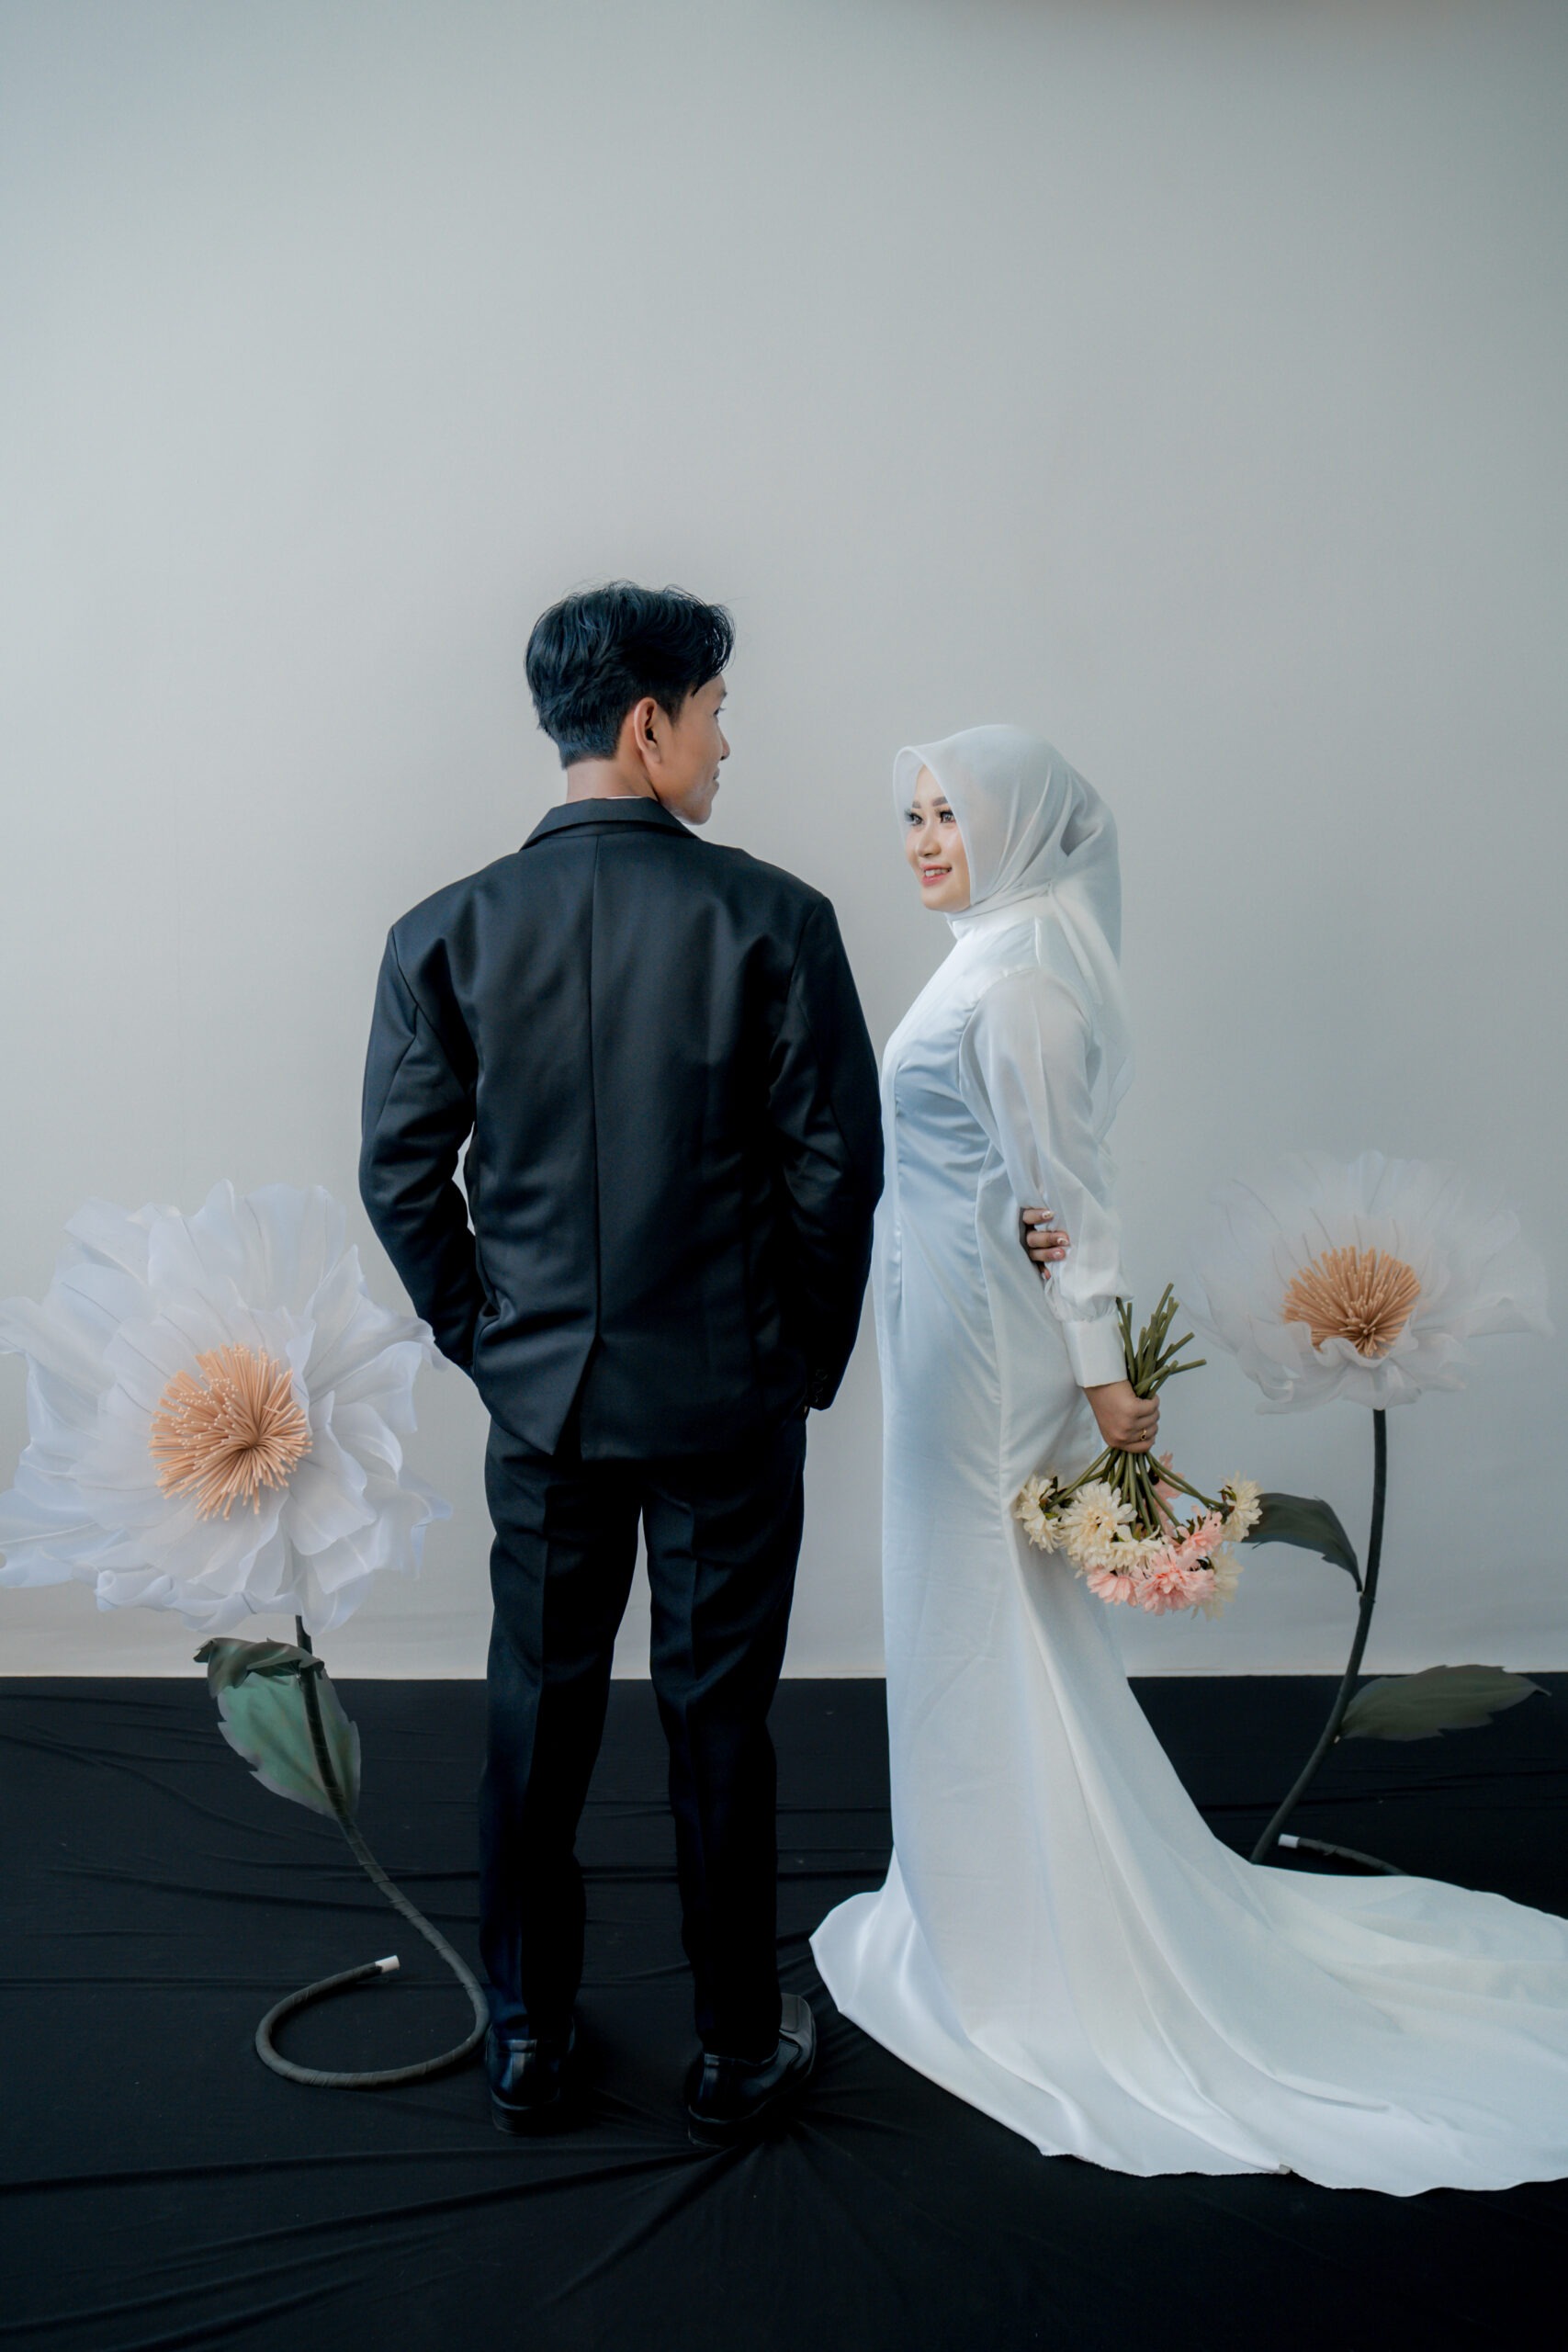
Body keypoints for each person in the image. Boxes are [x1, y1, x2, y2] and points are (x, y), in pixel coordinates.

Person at [811, 725, 1568, 2195]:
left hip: (984, 1351)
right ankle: (982, 1897)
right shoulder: (991, 956)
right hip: (943, 1324)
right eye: (913, 814)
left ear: (1021, 828)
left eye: (953, 814)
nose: (924, 840)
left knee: (977, 1610)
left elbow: (1066, 1198)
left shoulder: (1021, 980)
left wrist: (1104, 1378)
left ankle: (1026, 1937)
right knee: (970, 1614)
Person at [357, 583, 889, 2144]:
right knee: (720, 1722)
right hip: (726, 1399)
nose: (727, 745)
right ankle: (734, 2048)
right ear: (649, 724)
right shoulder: (775, 919)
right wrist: (796, 1360)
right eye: (715, 714)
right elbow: (835, 1174)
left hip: (546, 1406)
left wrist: (490, 1342)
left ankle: (527, 2041)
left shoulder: (444, 931)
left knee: (537, 1711)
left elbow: (402, 1175)